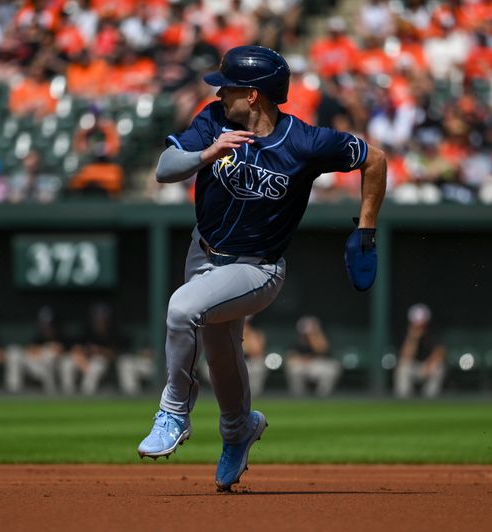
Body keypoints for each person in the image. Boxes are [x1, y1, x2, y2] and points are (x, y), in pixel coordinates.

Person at [136, 45, 386, 492]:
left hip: (257, 270)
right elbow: (164, 169)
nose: (219, 93)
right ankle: (238, 432)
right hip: (203, 252)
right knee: (220, 352)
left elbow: (375, 159)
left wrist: (366, 229)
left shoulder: (305, 142)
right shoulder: (214, 122)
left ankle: (174, 411)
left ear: (252, 95)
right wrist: (206, 153)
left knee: (180, 310)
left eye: (227, 87)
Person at [59, 303, 124, 395]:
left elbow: (114, 354)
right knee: (67, 362)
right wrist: (82, 360)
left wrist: (99, 350)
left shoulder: (113, 332)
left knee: (96, 365)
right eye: (97, 318)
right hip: (84, 360)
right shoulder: (87, 330)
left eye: (102, 318)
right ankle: (67, 394)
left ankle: (86, 396)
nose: (99, 321)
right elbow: (76, 348)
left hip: (102, 361)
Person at [5, 306, 65, 394]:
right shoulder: (37, 338)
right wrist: (44, 349)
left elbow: (61, 352)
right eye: (44, 324)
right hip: (35, 366)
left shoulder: (60, 337)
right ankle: (14, 392)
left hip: (53, 370)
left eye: (49, 324)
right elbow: (31, 350)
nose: (46, 327)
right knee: (13, 351)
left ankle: (54, 393)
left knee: (50, 355)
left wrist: (48, 350)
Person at [394, 304, 446, 399]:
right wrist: (413, 338)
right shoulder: (405, 333)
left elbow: (440, 352)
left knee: (438, 367)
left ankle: (430, 399)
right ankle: (403, 399)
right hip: (413, 367)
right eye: (416, 322)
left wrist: (429, 364)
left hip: (427, 365)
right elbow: (405, 356)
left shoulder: (432, 332)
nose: (419, 325)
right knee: (403, 366)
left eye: (422, 322)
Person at [285, 316, 342, 398]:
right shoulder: (297, 340)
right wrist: (303, 360)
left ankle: (322, 397)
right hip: (303, 365)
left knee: (333, 368)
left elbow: (321, 350)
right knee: (293, 368)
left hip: (319, 365)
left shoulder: (322, 336)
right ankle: (298, 397)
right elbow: (290, 357)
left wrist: (313, 335)